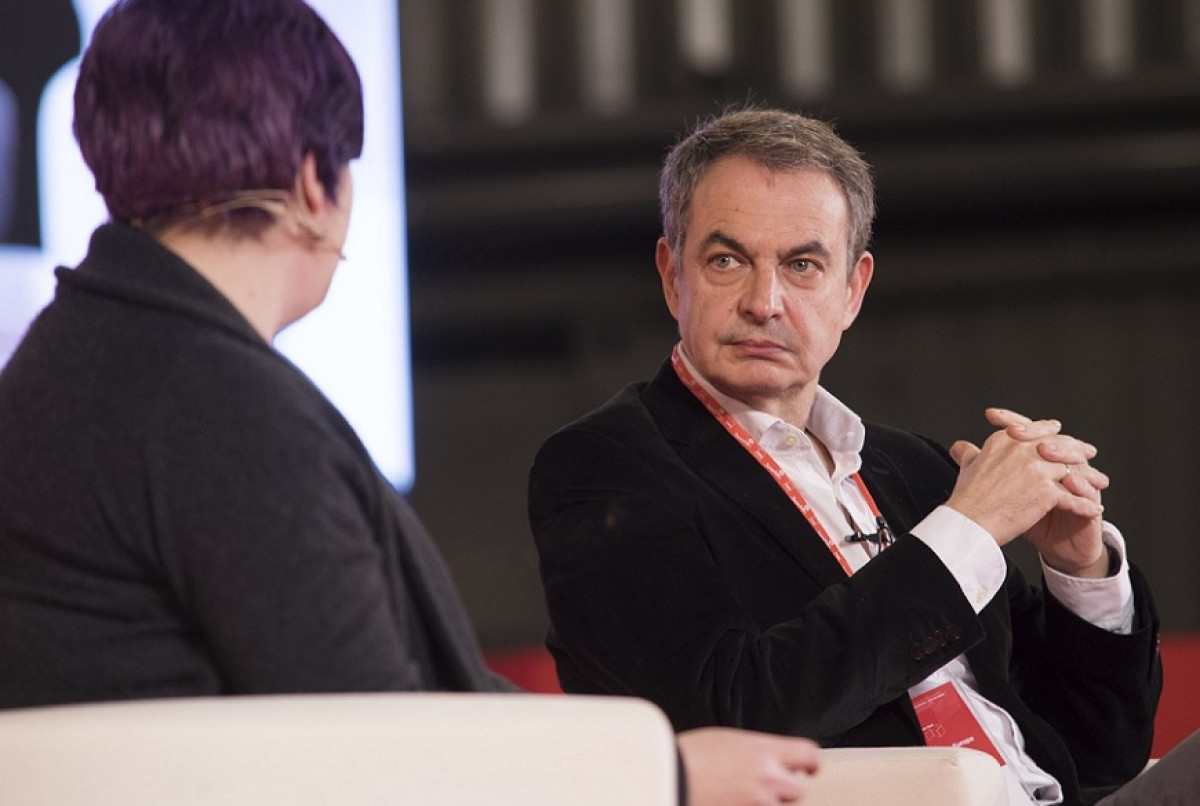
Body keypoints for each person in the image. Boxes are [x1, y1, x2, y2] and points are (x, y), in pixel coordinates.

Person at [0, 4, 821, 804]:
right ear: (314, 181)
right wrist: (665, 777)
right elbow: (380, 743)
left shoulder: (80, 356)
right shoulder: (215, 409)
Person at [528, 107, 1183, 806]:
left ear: (852, 290)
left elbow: (1100, 752)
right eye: (727, 261)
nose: (764, 302)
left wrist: (1080, 568)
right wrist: (966, 532)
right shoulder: (602, 468)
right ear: (671, 276)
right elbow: (727, 719)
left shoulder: (918, 471)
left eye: (802, 265)